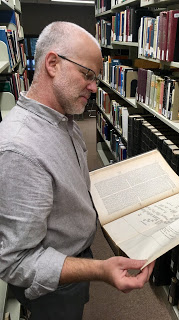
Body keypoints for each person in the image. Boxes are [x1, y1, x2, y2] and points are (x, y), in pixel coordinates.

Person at [0, 21, 155, 320]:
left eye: (95, 78)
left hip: (74, 257)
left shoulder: (63, 118)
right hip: (52, 287)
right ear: (53, 63)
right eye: (87, 74)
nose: (95, 87)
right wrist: (100, 269)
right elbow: (16, 262)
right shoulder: (19, 150)